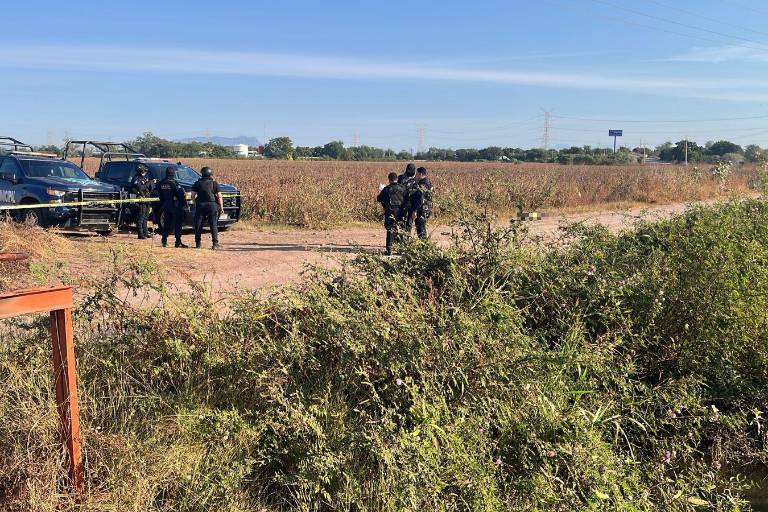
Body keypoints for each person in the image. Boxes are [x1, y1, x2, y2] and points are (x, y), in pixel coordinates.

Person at [191, 166, 224, 250]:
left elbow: (193, 195)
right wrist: (221, 207)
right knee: (213, 224)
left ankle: (198, 243)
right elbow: (219, 196)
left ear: (202, 173)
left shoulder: (197, 183)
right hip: (212, 206)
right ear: (210, 174)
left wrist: (195, 202)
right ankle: (215, 244)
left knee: (198, 224)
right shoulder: (214, 183)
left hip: (201, 205)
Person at [157, 166, 188, 248]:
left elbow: (160, 195)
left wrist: (165, 202)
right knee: (178, 224)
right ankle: (178, 242)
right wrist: (184, 204)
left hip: (166, 205)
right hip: (176, 205)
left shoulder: (161, 183)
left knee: (166, 223)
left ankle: (164, 240)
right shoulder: (174, 183)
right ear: (173, 173)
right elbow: (181, 194)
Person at [376, 172, 406, 255]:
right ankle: (401, 249)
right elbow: (407, 200)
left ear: (389, 180)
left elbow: (379, 199)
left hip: (390, 212)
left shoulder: (386, 189)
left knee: (390, 230)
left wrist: (381, 191)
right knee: (400, 229)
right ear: (397, 179)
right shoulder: (403, 188)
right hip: (401, 212)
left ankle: (389, 250)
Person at [130, 163, 154, 239]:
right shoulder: (136, 179)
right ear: (141, 171)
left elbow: (148, 188)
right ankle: (140, 234)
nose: (145, 173)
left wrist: (152, 183)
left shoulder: (144, 178)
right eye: (144, 172)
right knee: (141, 217)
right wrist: (148, 183)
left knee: (146, 217)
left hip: (147, 200)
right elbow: (140, 188)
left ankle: (146, 232)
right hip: (141, 200)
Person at [411, 167, 434, 239]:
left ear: (420, 174)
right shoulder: (429, 182)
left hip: (422, 209)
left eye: (417, 174)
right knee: (422, 226)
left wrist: (415, 210)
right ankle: (424, 244)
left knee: (420, 228)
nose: (415, 176)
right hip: (428, 208)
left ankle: (423, 245)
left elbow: (420, 198)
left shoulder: (422, 184)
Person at [397, 163, 417, 233]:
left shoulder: (401, 178)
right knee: (404, 222)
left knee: (408, 222)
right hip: (403, 203)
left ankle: (405, 238)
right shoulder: (401, 178)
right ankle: (403, 238)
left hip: (409, 203)